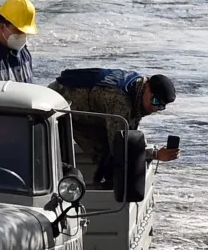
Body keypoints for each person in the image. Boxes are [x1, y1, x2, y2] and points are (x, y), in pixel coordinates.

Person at [50, 68, 182, 185]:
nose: (155, 108)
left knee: (106, 155)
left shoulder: (137, 85)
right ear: (147, 87)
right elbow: (120, 150)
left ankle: (100, 184)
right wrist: (155, 154)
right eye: (155, 101)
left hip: (86, 109)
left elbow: (128, 133)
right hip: (57, 107)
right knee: (104, 153)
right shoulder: (120, 103)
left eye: (161, 106)